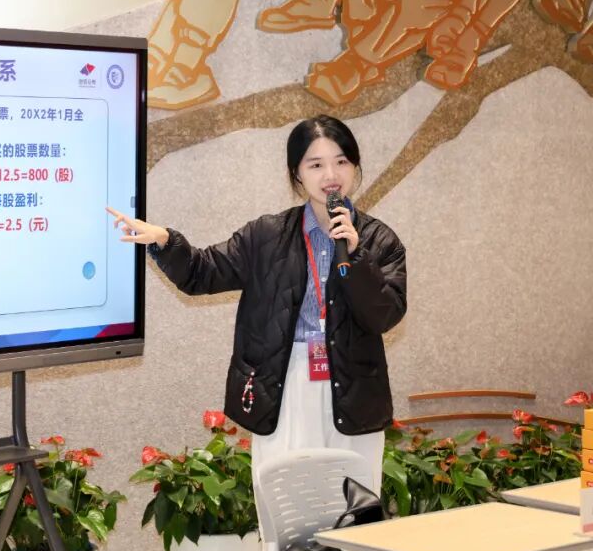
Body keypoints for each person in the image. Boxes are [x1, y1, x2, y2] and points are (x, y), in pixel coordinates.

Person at [106, 115, 407, 518]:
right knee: (289, 510)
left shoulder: (379, 241)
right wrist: (165, 241)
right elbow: (202, 272)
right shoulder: (266, 236)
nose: (330, 175)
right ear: (297, 174)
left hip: (354, 390)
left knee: (355, 513)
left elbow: (385, 315)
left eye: (341, 162)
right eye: (316, 164)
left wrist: (356, 256)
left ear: (355, 167)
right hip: (284, 386)